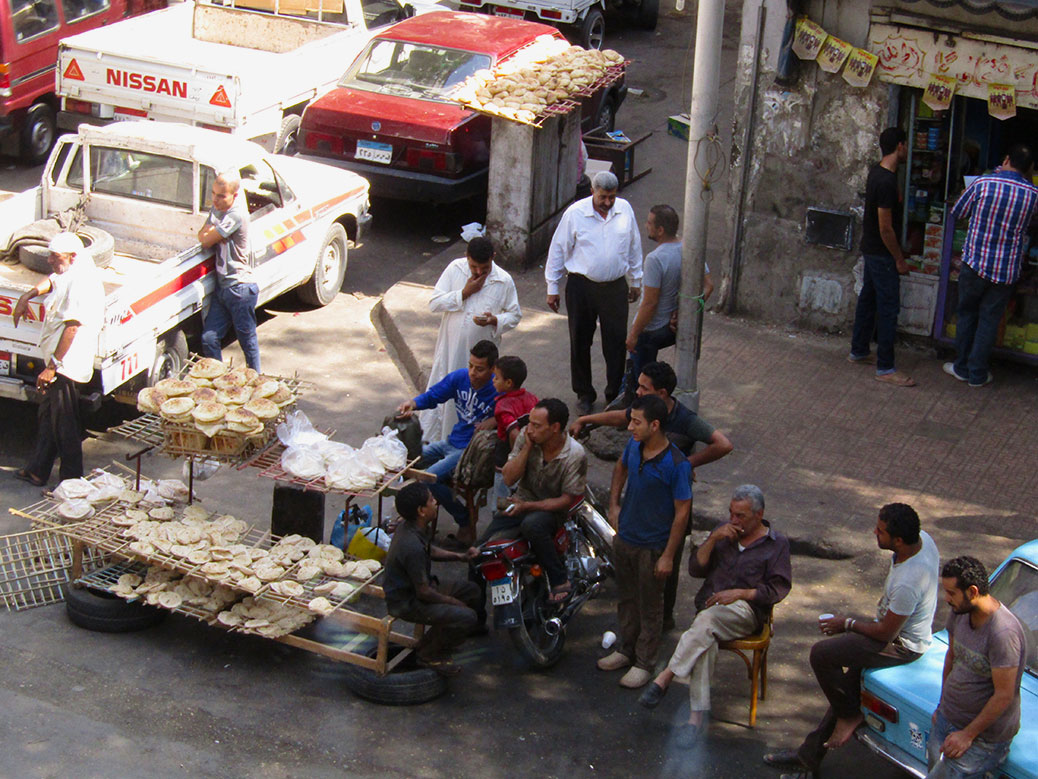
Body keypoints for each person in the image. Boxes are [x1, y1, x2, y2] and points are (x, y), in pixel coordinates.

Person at [764, 503, 939, 778]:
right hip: (894, 628)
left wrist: (846, 624)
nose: (874, 533)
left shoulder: (910, 581)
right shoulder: (922, 540)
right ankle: (808, 757)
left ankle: (849, 716)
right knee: (846, 687)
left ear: (899, 540)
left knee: (822, 654)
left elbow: (884, 634)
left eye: (880, 531)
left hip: (901, 645)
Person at [570, 361, 733, 629]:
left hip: (670, 507)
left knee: (665, 566)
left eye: (645, 388)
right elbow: (620, 419)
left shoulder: (685, 420)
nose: (638, 391)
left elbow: (723, 445)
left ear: (663, 394)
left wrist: (686, 463)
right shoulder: (640, 413)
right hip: (640, 509)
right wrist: (587, 420)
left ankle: (662, 621)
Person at [638, 485, 791, 747]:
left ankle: (665, 677)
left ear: (759, 514)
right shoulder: (724, 533)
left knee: (706, 622)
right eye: (731, 513)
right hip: (710, 610)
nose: (734, 520)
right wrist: (712, 540)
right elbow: (696, 569)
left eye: (741, 516)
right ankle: (695, 721)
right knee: (705, 634)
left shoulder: (776, 544)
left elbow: (778, 589)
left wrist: (741, 593)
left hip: (746, 610)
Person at [598, 394, 691, 689]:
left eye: (636, 422)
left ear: (655, 425)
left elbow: (682, 513)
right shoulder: (633, 446)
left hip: (653, 545)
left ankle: (644, 662)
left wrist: (668, 556)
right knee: (626, 598)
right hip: (626, 537)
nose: (630, 428)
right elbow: (620, 469)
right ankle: (626, 649)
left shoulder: (677, 464)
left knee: (650, 605)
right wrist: (614, 504)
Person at [545, 170, 643, 415]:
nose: (608, 203)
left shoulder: (625, 210)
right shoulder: (575, 214)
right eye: (603, 197)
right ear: (592, 192)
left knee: (616, 344)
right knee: (580, 340)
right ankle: (584, 393)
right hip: (581, 287)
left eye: (612, 197)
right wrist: (552, 287)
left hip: (615, 288)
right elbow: (558, 250)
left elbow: (634, 246)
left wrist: (636, 280)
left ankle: (615, 394)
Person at [12, 233, 104, 487]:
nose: (50, 260)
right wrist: (26, 295)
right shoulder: (72, 269)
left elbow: (71, 328)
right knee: (49, 415)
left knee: (65, 423)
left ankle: (72, 480)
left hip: (67, 364)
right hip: (61, 361)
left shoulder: (81, 282)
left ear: (72, 257)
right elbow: (53, 281)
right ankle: (38, 469)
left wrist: (52, 368)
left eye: (56, 256)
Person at [943, 143, 1037, 388]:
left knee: (966, 314)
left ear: (1006, 159)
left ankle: (961, 367)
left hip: (975, 263)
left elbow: (958, 211)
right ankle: (977, 373)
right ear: (1029, 169)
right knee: (989, 320)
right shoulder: (1033, 194)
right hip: (1006, 270)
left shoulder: (983, 183)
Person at [925, 556, 1026, 779]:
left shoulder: (1003, 634)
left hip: (982, 738)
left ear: (972, 591)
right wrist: (942, 705)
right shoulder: (959, 613)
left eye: (951, 593)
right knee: (933, 767)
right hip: (947, 718)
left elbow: (1003, 695)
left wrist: (967, 735)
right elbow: (952, 657)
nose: (946, 599)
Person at [480, 398, 588, 602]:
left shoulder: (574, 454)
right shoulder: (526, 436)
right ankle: (476, 616)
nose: (529, 429)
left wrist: (527, 507)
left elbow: (566, 500)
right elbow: (509, 477)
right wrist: (527, 448)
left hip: (552, 510)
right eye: (529, 423)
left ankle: (559, 579)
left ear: (555, 428)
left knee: (533, 525)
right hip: (522, 502)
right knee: (481, 551)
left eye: (536, 426)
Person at [397, 340, 498, 546]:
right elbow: (435, 395)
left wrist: (497, 419)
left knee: (427, 479)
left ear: (493, 369)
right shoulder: (460, 377)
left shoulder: (499, 388)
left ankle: (464, 521)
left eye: (479, 369)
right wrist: (413, 403)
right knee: (406, 462)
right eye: (470, 366)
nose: (472, 373)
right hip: (451, 442)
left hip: (469, 452)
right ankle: (411, 519)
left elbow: (520, 412)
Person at [421, 236, 521, 441]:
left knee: (475, 401)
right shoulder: (455, 269)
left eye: (483, 268)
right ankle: (438, 442)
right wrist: (464, 293)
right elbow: (434, 303)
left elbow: (514, 315)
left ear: (493, 258)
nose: (478, 272)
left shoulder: (503, 280)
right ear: (466, 257)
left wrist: (495, 320)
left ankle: (467, 446)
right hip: (451, 350)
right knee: (447, 392)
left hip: (483, 359)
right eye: (473, 266)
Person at [382, 482, 482, 676]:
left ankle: (438, 640)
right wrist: (455, 603)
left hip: (419, 589)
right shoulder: (411, 545)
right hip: (406, 602)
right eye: (431, 500)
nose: (436, 502)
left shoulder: (412, 526)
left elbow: (430, 550)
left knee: (472, 591)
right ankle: (429, 655)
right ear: (421, 510)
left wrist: (460, 556)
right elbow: (424, 592)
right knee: (467, 616)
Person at [621, 205, 713, 406]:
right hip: (671, 328)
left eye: (649, 223)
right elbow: (708, 286)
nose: (646, 226)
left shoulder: (655, 259)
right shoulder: (688, 248)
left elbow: (650, 303)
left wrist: (634, 334)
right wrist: (685, 312)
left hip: (652, 329)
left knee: (642, 383)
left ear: (660, 230)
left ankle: (639, 414)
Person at [849, 127, 915, 387]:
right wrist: (899, 257)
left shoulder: (877, 173)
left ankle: (859, 349)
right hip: (882, 253)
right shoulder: (886, 181)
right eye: (906, 145)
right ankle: (886, 367)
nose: (908, 150)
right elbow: (885, 227)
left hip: (872, 249)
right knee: (888, 308)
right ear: (900, 146)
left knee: (868, 299)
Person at [199, 171, 260, 371]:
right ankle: (222, 377)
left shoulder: (236, 215)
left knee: (247, 339)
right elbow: (202, 234)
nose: (215, 200)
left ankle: (256, 378)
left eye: (221, 195)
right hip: (223, 288)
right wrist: (211, 233)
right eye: (214, 194)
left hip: (239, 288)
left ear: (234, 195)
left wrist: (211, 233)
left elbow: (206, 239)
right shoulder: (217, 210)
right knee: (209, 338)